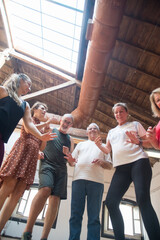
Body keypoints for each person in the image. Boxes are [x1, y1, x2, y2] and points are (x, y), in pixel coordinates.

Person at [95, 102, 160, 240]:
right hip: (121, 168)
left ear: (126, 113)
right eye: (116, 112)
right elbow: (108, 150)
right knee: (111, 202)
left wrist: (138, 141)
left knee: (142, 199)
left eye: (121, 111)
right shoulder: (112, 132)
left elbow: (148, 142)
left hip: (138, 162)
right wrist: (99, 145)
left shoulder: (135, 125)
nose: (118, 114)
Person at [0, 101, 57, 233]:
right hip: (21, 153)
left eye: (45, 109)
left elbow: (41, 147)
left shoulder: (43, 128)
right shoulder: (29, 118)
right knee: (8, 187)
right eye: (42, 108)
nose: (44, 111)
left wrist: (46, 135)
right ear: (34, 109)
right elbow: (28, 128)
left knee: (17, 194)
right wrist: (47, 123)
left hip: (31, 161)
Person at [21, 113, 75, 240]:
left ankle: (44, 237)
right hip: (48, 164)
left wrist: (71, 159)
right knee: (45, 190)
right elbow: (39, 145)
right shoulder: (51, 130)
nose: (66, 124)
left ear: (71, 125)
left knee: (55, 199)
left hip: (62, 169)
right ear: (61, 120)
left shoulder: (71, 139)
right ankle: (27, 231)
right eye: (65, 121)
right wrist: (38, 152)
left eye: (69, 123)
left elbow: (71, 162)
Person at [64, 123, 112, 240]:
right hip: (78, 181)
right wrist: (70, 160)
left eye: (95, 128)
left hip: (96, 183)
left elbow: (110, 166)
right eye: (90, 128)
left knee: (94, 217)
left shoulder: (105, 147)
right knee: (75, 215)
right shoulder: (80, 144)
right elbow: (72, 163)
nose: (92, 130)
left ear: (99, 132)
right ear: (86, 133)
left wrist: (102, 162)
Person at [0, 73, 55, 167]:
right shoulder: (2, 91)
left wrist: (41, 136)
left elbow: (29, 125)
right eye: (28, 84)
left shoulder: (25, 105)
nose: (29, 89)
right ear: (20, 80)